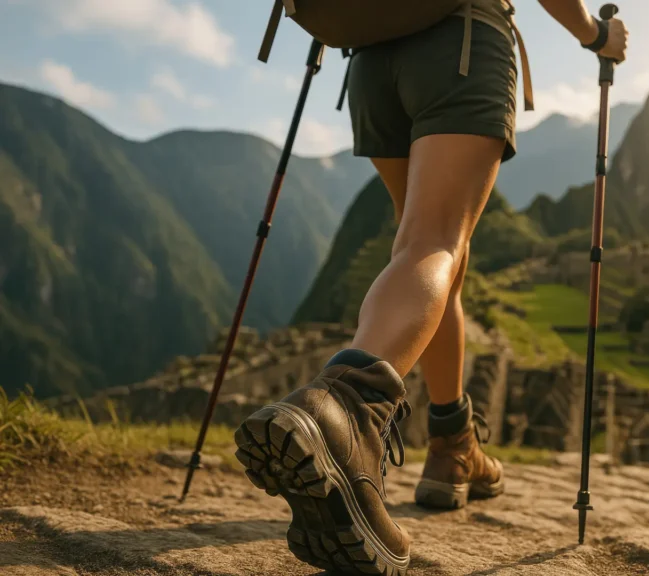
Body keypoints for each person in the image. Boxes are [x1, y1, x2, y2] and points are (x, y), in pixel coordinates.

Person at [235, 1, 628, 574]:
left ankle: (452, 444)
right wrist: (595, 35)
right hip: (460, 45)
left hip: (371, 61)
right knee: (434, 242)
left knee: (430, 254)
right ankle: (349, 407)